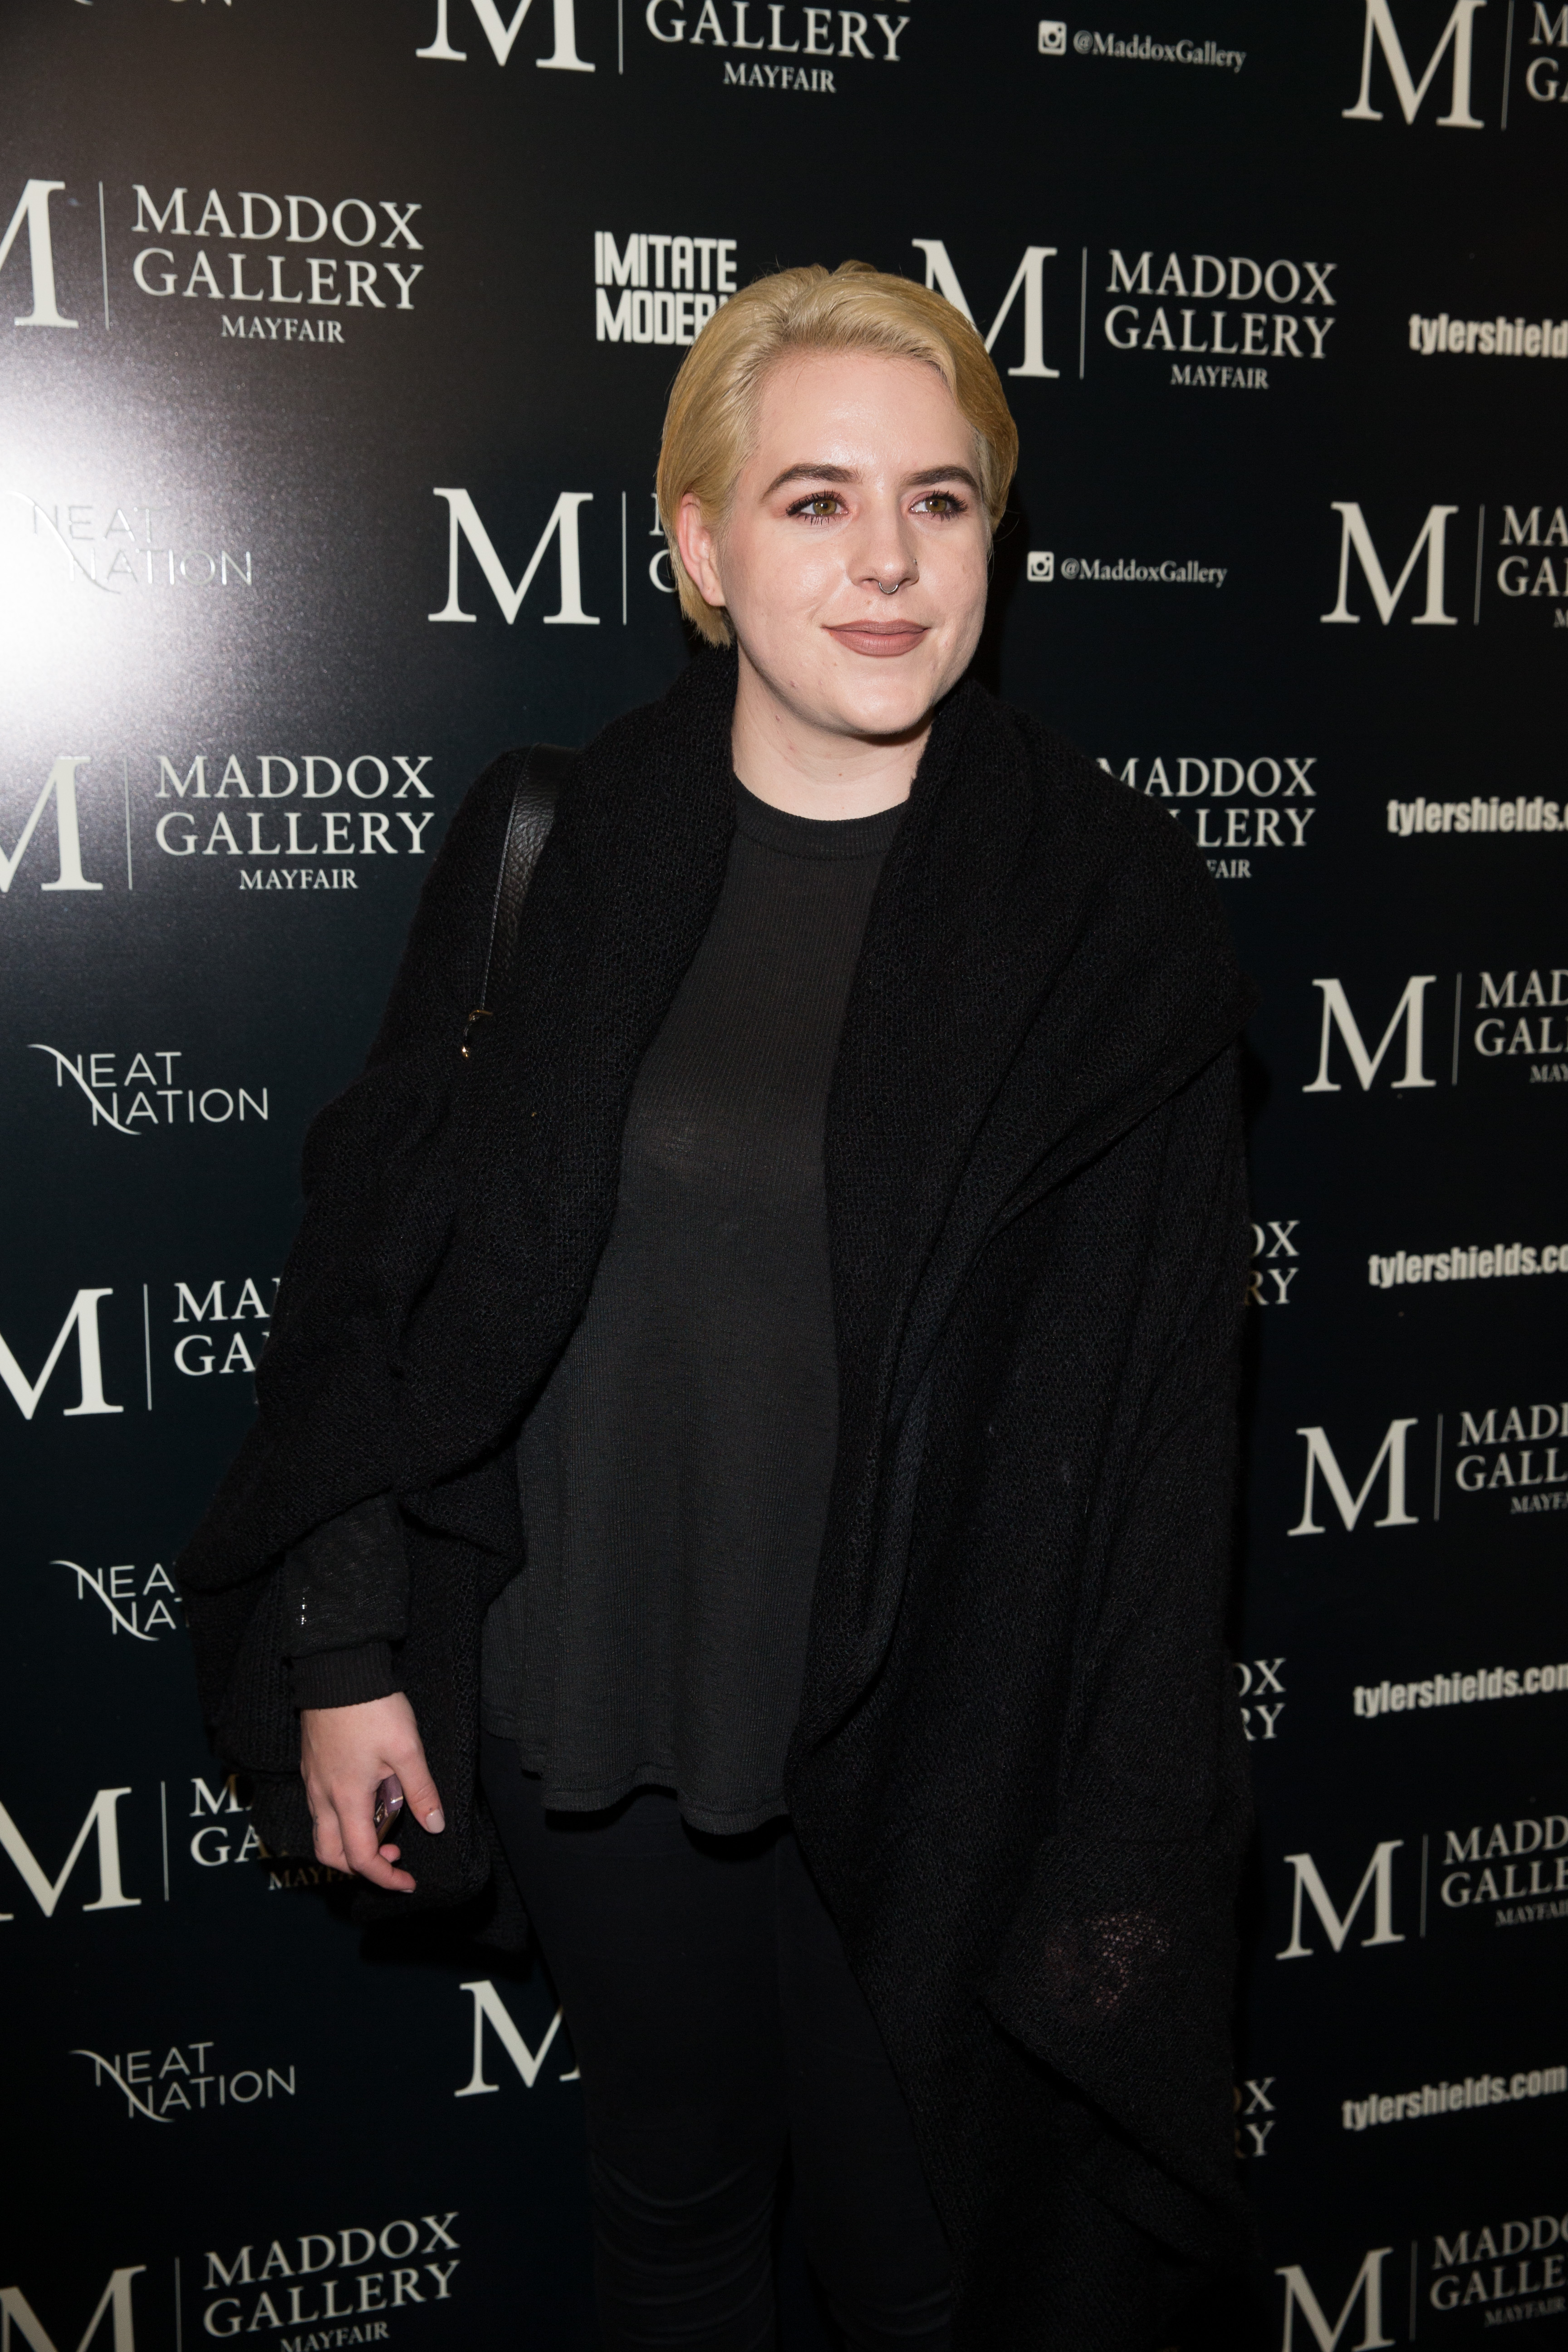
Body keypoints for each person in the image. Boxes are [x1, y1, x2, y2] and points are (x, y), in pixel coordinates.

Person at [180, 262, 1256, 2351]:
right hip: (612, 1709)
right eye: (815, 500)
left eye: (942, 502)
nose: (888, 562)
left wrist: (1129, 1823)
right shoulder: (548, 846)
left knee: (939, 2285)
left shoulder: (1112, 919)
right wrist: (348, 1645)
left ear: (995, 540)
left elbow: (1163, 1428)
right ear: (698, 543)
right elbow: (378, 1281)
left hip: (950, 1751)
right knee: (671, 2229)